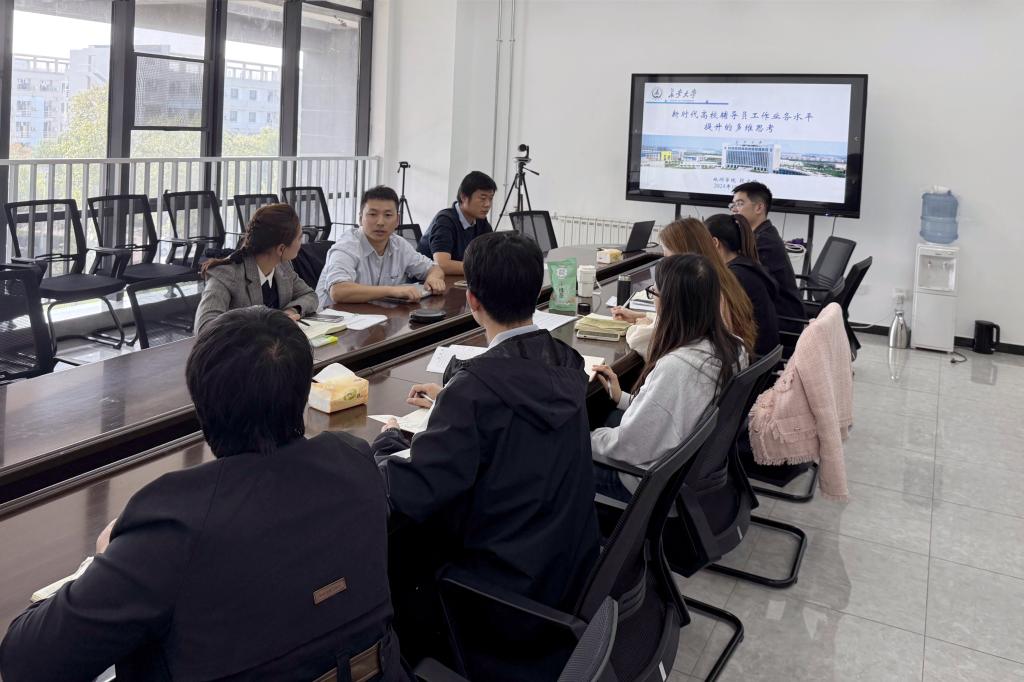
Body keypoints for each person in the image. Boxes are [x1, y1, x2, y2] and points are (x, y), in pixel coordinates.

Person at [0, 307, 408, 682]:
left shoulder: (175, 524)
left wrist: (109, 558)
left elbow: (25, 662)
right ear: (303, 392)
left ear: (200, 401)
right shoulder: (353, 459)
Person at [372, 231, 599, 617]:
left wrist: (388, 440)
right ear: (537, 291)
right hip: (565, 567)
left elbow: (413, 489)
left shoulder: (475, 392)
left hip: (501, 591)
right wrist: (451, 395)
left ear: (472, 300)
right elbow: (515, 411)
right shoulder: (566, 360)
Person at [591, 254, 747, 501]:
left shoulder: (677, 367)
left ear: (670, 303)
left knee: (557, 450)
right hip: (688, 470)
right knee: (608, 417)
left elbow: (630, 446)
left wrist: (584, 437)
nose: (653, 299)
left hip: (648, 481)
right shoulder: (734, 348)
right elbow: (675, 412)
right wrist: (623, 398)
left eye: (654, 292)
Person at [611, 218, 757, 356]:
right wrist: (641, 316)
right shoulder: (721, 278)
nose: (665, 263)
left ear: (684, 255)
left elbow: (646, 342)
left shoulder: (704, 291)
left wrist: (636, 327)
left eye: (667, 257)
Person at [193, 203, 318, 333]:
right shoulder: (226, 275)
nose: (301, 243)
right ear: (281, 249)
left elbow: (310, 295)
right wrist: (268, 324)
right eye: (299, 238)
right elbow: (205, 328)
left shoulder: (283, 266)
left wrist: (290, 312)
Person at [317, 185, 446, 306]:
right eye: (373, 214)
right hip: (333, 318)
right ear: (360, 218)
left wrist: (434, 278)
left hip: (375, 315)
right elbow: (338, 291)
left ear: (397, 220)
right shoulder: (347, 245)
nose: (380, 222)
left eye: (388, 215)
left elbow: (434, 268)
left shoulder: (399, 244)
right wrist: (392, 290)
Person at [730, 181, 806, 327]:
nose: (734, 209)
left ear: (759, 207)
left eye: (739, 204)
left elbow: (748, 284)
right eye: (732, 205)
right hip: (776, 312)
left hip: (782, 319)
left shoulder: (764, 241)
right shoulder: (763, 233)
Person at [706, 213, 780, 357]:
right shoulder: (747, 264)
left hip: (750, 357)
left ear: (715, 242)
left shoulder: (734, 277)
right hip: (764, 358)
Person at [419, 171, 496, 275]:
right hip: (427, 281)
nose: (487, 204)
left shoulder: (481, 222)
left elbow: (492, 256)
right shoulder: (445, 221)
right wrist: (481, 269)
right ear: (463, 197)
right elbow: (442, 264)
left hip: (459, 279)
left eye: (490, 198)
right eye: (482, 198)